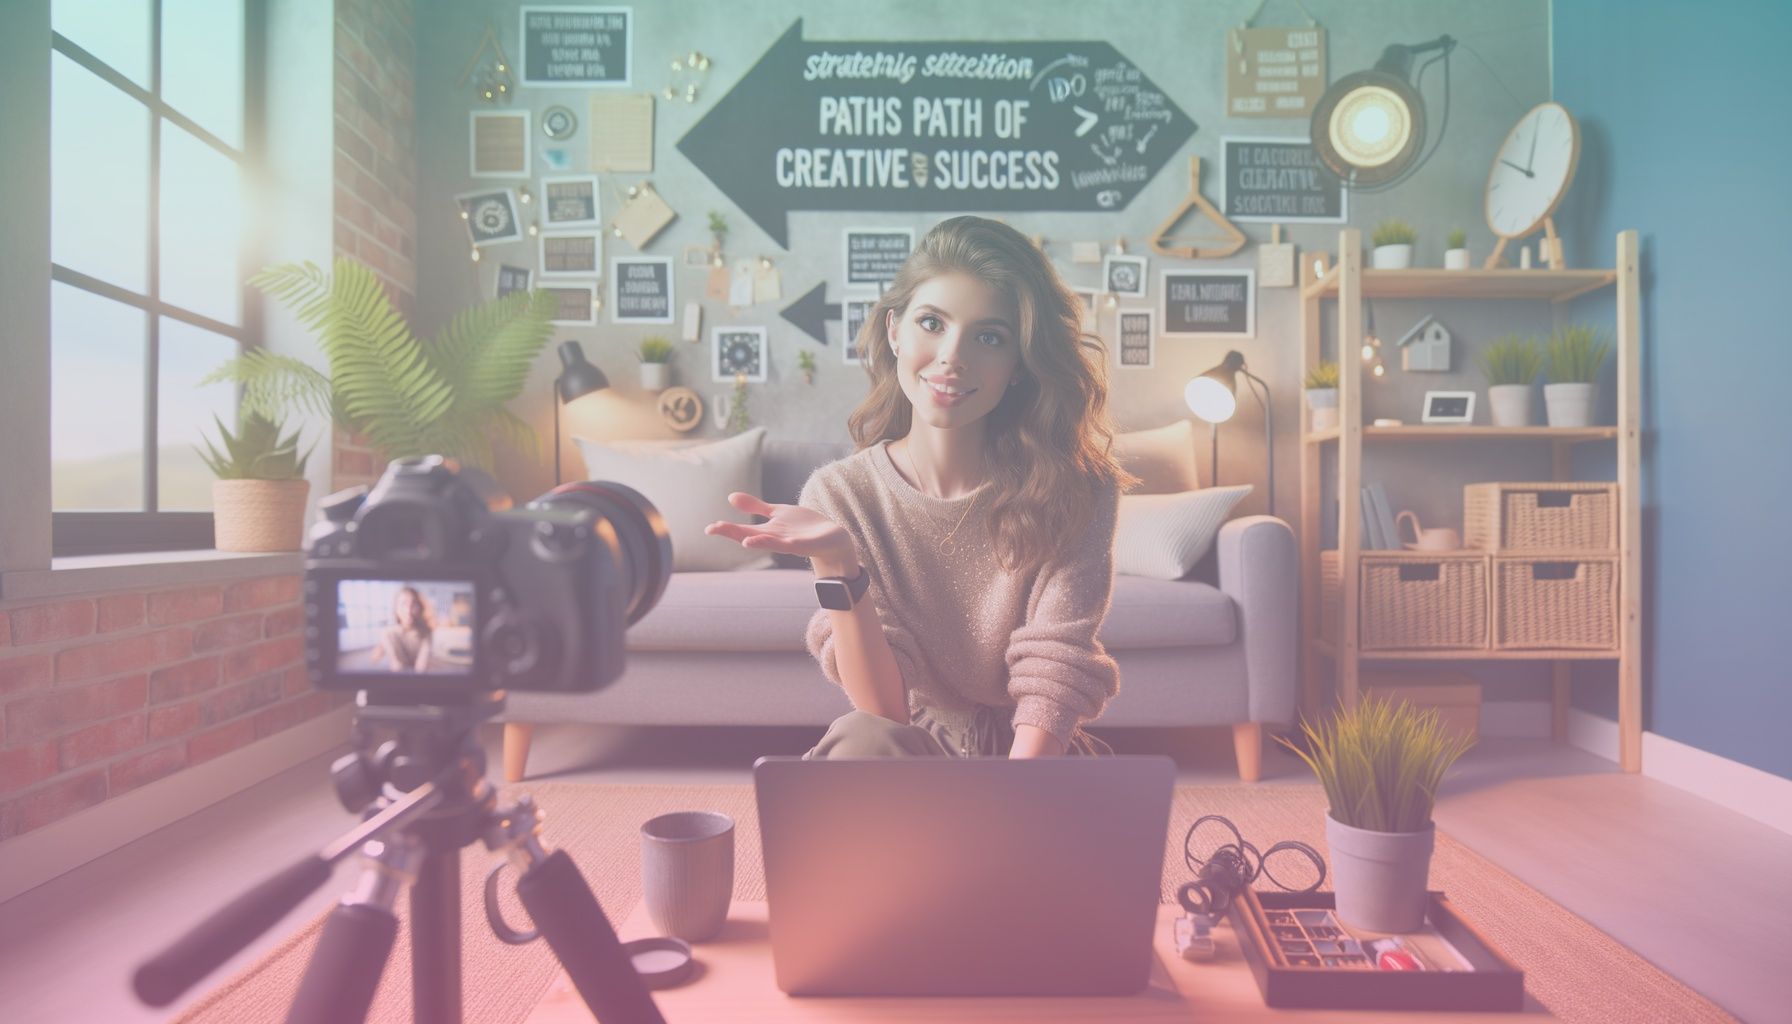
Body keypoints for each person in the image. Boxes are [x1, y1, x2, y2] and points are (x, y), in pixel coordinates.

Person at [705, 216, 1133, 759]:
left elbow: (1055, 668)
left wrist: (1013, 799)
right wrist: (840, 565)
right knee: (860, 741)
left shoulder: (1080, 489)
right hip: (909, 750)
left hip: (1033, 758)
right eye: (932, 323)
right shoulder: (841, 496)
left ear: (1019, 364)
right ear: (894, 331)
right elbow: (883, 713)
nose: (953, 355)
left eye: (989, 337)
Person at [369, 585, 433, 673]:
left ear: (420, 608)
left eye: (414, 604)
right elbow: (374, 659)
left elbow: (422, 667)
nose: (408, 611)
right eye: (403, 604)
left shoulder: (425, 633)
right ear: (396, 608)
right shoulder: (389, 633)